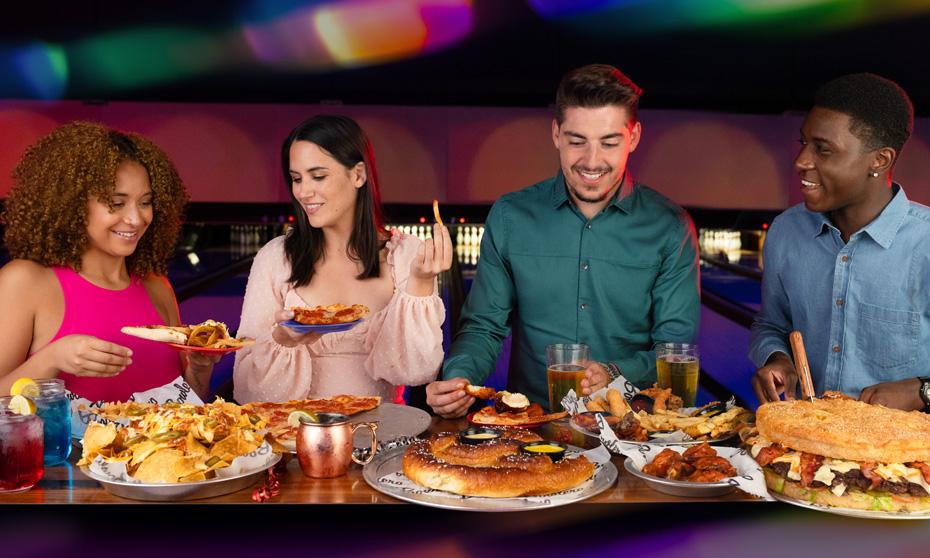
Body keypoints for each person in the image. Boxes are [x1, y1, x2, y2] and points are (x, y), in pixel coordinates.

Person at [427, 64, 701, 418]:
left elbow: (674, 350)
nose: (591, 160)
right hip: (533, 424)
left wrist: (616, 373)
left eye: (609, 142)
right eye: (576, 141)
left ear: (632, 137)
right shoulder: (511, 216)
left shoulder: (670, 226)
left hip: (634, 429)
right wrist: (459, 377)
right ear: (556, 134)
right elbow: (484, 326)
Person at [233, 115, 451, 404]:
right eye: (296, 179)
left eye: (318, 176)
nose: (303, 192)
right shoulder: (275, 258)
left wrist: (422, 282)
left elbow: (416, 372)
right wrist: (282, 340)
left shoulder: (406, 255)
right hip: (294, 437)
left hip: (381, 437)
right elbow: (248, 393)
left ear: (358, 175)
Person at [750, 73, 930, 411]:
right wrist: (777, 359)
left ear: (880, 160)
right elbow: (771, 324)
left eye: (823, 149)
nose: (801, 161)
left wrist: (921, 392)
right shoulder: (786, 232)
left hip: (905, 458)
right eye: (803, 143)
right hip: (806, 448)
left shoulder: (926, 244)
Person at [0, 121, 217, 401]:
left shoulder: (157, 287)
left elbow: (189, 406)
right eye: (116, 202)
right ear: (74, 203)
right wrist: (51, 359)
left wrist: (199, 370)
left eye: (145, 202)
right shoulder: (25, 282)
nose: (136, 219)